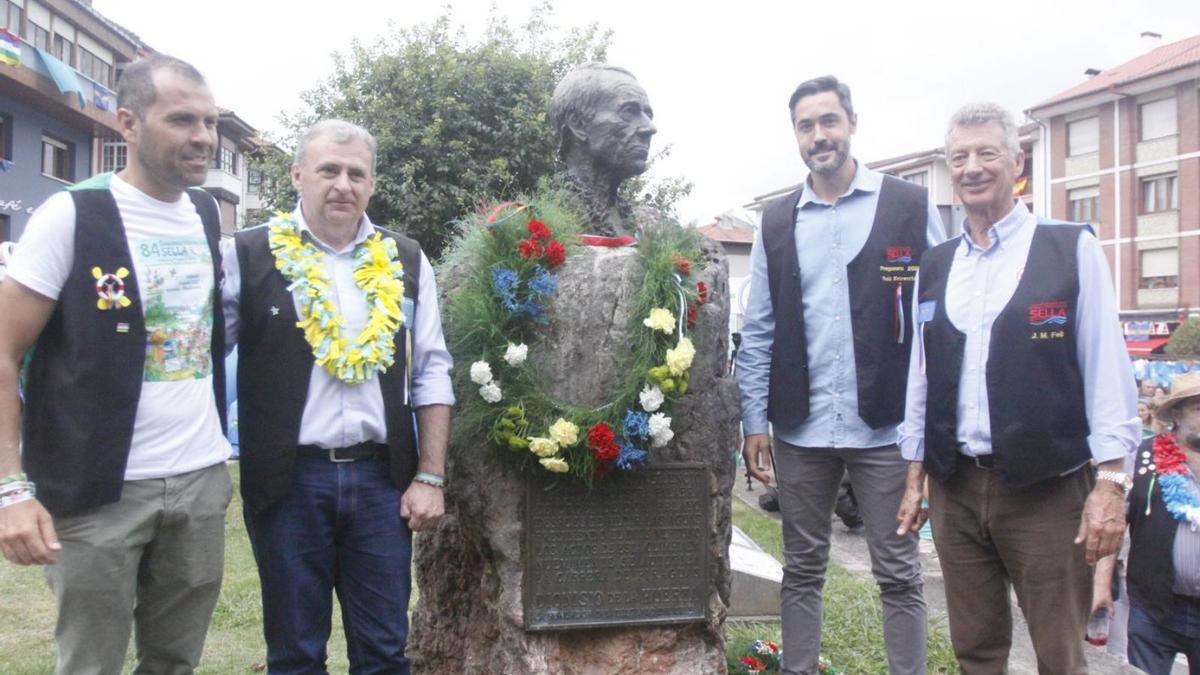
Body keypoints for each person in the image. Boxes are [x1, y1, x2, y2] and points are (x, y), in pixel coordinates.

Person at [0, 55, 232, 673]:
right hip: (96, 492)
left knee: (175, 661)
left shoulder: (207, 213)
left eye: (209, 122)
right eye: (183, 119)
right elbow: (3, 350)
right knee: (90, 664)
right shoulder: (71, 214)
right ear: (127, 123)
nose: (203, 137)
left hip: (200, 481)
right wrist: (11, 488)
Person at [895, 101, 1140, 674]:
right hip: (956, 488)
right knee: (975, 650)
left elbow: (1107, 368)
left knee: (1058, 652)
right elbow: (922, 374)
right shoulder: (934, 264)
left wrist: (1109, 485)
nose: (972, 167)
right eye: (960, 157)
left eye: (987, 153)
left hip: (1048, 491)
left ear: (1017, 161)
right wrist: (916, 472)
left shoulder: (1070, 247)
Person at [222, 119, 453, 674]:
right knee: (295, 653)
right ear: (299, 175)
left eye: (356, 174)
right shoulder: (247, 255)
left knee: (383, 652)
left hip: (381, 484)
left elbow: (432, 371)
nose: (342, 184)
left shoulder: (406, 259)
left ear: (371, 185)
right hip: (288, 484)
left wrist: (430, 476)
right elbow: (199, 361)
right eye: (328, 170)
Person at [738, 75, 944, 675]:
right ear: (796, 136)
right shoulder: (775, 223)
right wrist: (756, 420)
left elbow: (937, 317)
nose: (819, 136)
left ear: (852, 122)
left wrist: (928, 429)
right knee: (801, 569)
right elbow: (761, 329)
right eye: (806, 126)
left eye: (829, 121)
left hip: (885, 428)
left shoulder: (907, 205)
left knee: (899, 573)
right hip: (801, 428)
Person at [1124, 371, 1200, 674]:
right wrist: (1101, 584)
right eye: (1199, 408)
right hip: (1154, 605)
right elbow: (1118, 517)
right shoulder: (1145, 455)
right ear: (1177, 415)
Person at [549, 62, 657, 238]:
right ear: (578, 124)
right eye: (629, 111)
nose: (650, 128)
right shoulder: (549, 220)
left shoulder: (628, 220)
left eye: (648, 115)